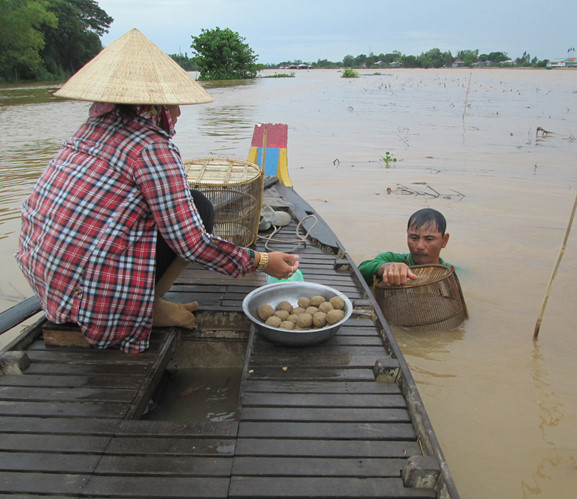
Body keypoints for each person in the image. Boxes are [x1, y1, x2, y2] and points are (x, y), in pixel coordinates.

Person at [15, 29, 299, 354]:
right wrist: (262, 260)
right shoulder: (151, 147)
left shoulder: (87, 132)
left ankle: (133, 304)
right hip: (96, 300)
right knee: (200, 210)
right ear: (148, 105)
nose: (176, 113)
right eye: (170, 104)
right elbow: (190, 242)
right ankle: (142, 311)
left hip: (51, 287)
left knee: (190, 203)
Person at [358, 208, 450, 286]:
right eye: (414, 238)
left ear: (444, 240)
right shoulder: (392, 259)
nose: (420, 246)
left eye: (429, 239)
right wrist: (386, 268)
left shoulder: (450, 272)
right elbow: (362, 269)